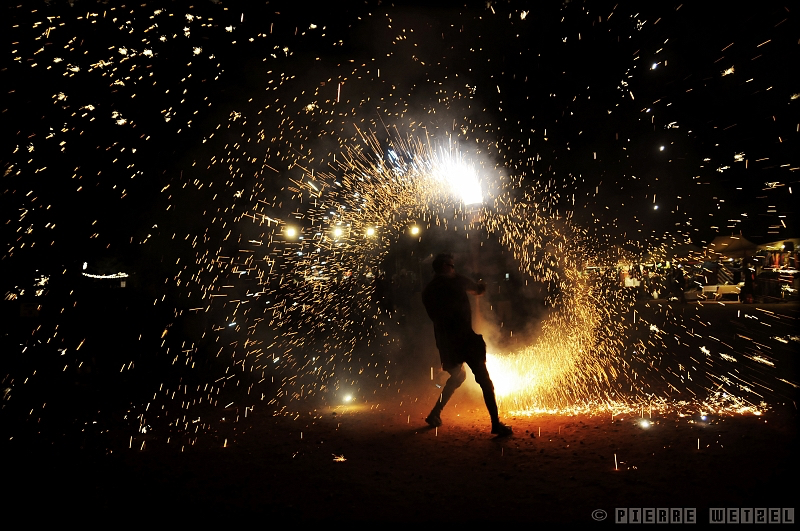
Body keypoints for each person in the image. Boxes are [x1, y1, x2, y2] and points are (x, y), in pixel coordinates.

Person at [421, 253, 513, 436]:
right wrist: (481, 283)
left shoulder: (428, 290)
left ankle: (434, 414)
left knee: (458, 376)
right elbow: (478, 290)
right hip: (465, 341)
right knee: (485, 382)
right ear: (446, 267)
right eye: (452, 266)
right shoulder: (455, 281)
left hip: (446, 343)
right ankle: (496, 424)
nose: (454, 269)